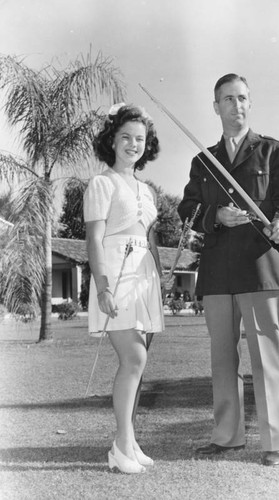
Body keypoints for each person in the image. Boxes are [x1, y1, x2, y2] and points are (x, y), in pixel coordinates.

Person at [178, 74, 279, 466]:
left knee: (268, 356)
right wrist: (217, 215)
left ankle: (274, 443)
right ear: (216, 107)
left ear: (251, 103)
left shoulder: (274, 151)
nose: (237, 106)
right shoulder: (203, 161)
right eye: (228, 99)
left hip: (262, 267)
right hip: (217, 272)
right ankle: (227, 437)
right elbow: (189, 210)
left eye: (243, 98)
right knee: (222, 359)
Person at [83, 103, 164, 474]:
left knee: (137, 364)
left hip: (143, 275)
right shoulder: (101, 184)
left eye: (140, 139)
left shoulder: (146, 190)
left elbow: (148, 238)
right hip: (114, 275)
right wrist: (102, 287)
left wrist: (158, 278)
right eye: (126, 137)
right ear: (111, 141)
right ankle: (120, 445)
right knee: (134, 359)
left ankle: (129, 441)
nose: (133, 144)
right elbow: (94, 240)